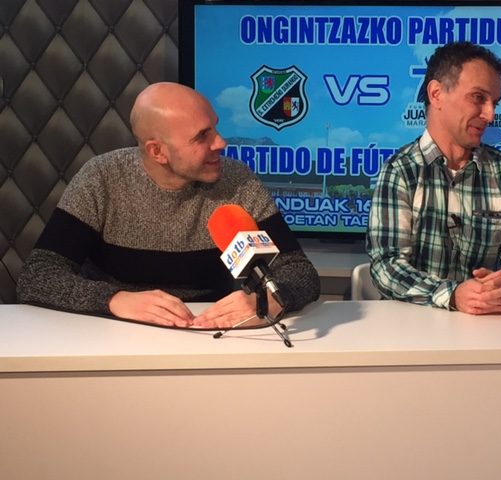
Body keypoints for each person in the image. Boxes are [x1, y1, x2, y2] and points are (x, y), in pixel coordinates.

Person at [17, 82, 320, 328]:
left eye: (215, 128)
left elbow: (299, 272)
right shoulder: (102, 178)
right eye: (202, 137)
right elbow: (38, 275)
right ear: (157, 152)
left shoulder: (238, 181)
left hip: (209, 334)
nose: (220, 143)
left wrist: (270, 299)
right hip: (112, 333)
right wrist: (114, 299)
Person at [366, 41, 501, 315]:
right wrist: (453, 295)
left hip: (487, 328)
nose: (490, 115)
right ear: (436, 94)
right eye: (478, 98)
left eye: (494, 103)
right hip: (411, 328)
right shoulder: (400, 171)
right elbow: (387, 267)